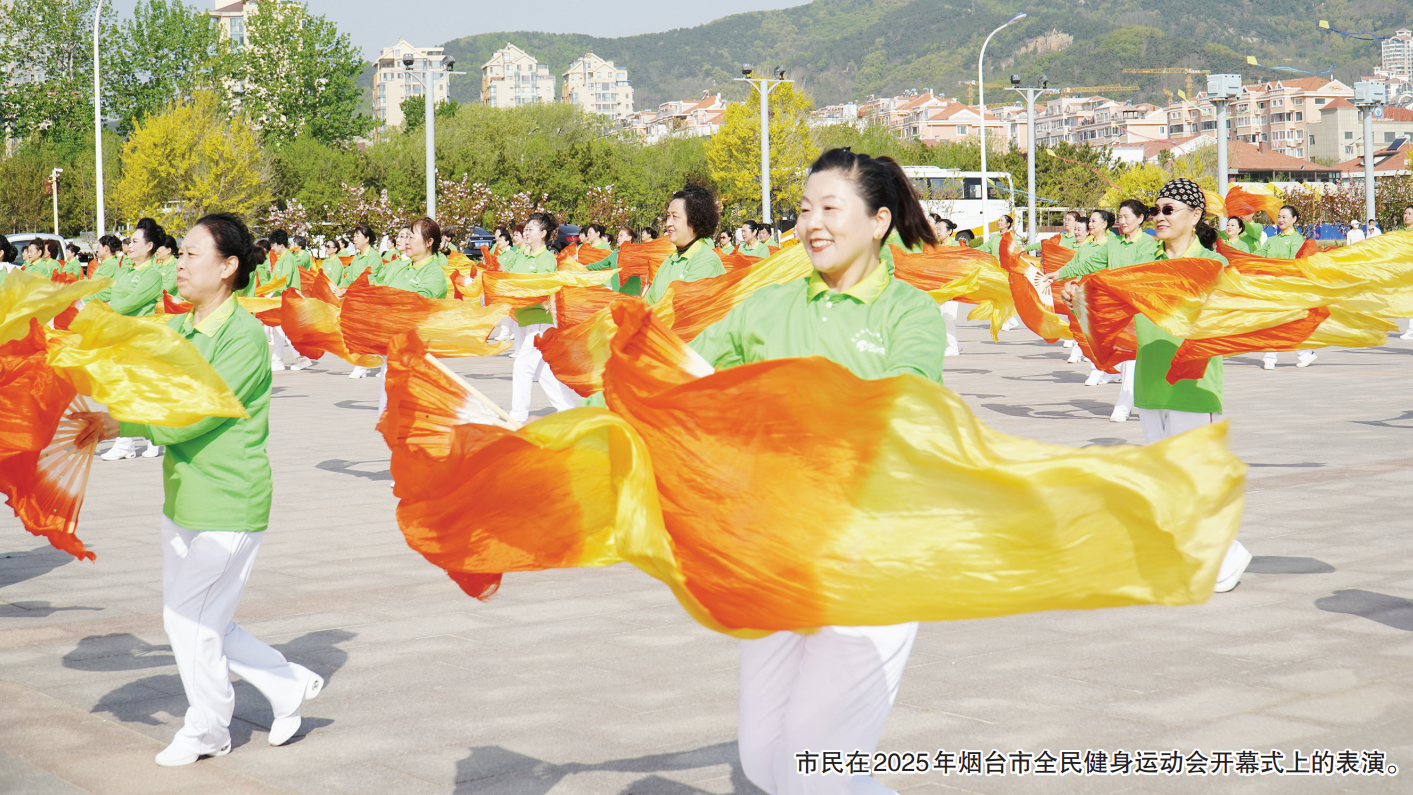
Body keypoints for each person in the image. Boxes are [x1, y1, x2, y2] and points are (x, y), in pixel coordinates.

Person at [691, 148, 944, 795]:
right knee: (764, 759)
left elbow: (905, 400)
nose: (812, 223)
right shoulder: (765, 308)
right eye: (804, 209)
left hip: (871, 563)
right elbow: (674, 373)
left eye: (830, 208)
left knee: (815, 765)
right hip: (776, 556)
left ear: (878, 220)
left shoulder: (905, 312)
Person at [75, 213, 325, 765]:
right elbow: (142, 378)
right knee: (208, 621)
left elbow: (196, 413)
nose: (179, 263)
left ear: (228, 266)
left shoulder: (243, 336)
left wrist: (126, 426)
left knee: (186, 619)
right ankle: (286, 685)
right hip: (183, 498)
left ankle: (209, 730)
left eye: (191, 254)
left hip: (230, 501)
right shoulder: (184, 328)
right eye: (179, 253)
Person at [1061, 178, 1250, 593]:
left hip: (1192, 384)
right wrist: (1081, 305)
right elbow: (1111, 322)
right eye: (1158, 209)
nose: (1160, 216)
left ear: (1195, 216)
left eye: (1170, 210)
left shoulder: (1213, 266)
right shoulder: (1145, 262)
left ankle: (1228, 553)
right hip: (1149, 382)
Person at [1054, 202, 1159, 421]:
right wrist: (1058, 274)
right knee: (1128, 356)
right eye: (1120, 217)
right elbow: (1088, 264)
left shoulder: (1150, 244)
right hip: (1120, 309)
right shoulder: (1113, 244)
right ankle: (1125, 400)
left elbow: (1138, 272)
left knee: (1145, 359)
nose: (1122, 221)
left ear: (1140, 219)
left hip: (1142, 309)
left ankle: (1140, 400)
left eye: (1127, 217)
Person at [101, 219, 169, 461]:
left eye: (135, 242)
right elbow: (105, 291)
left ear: (149, 246)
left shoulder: (152, 275)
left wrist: (108, 307)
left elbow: (128, 303)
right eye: (129, 242)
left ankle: (126, 443)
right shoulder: (123, 270)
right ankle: (151, 435)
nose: (130, 246)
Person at [505, 211, 580, 424]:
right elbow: (504, 273)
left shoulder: (547, 259)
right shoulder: (521, 254)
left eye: (530, 229)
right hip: (523, 317)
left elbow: (542, 287)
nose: (526, 232)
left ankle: (517, 418)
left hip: (539, 321)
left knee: (522, 366)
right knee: (544, 373)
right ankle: (570, 412)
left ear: (543, 233)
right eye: (525, 228)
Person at [643, 186, 726, 306]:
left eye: (675, 217)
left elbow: (686, 310)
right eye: (668, 216)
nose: (668, 223)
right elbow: (648, 302)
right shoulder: (670, 261)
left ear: (695, 221)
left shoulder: (705, 261)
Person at [1257, 206, 1316, 370]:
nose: (1281, 220)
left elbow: (1293, 263)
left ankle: (1272, 356)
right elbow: (1256, 257)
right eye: (1279, 217)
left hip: (1289, 287)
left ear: (1294, 219)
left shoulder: (1297, 240)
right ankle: (1304, 354)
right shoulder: (1271, 240)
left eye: (1285, 217)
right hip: (1274, 287)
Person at [265, 230, 312, 372]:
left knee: (284, 329)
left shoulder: (288, 259)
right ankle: (280, 359)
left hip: (288, 298)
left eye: (273, 245)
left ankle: (300, 358)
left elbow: (284, 281)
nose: (272, 248)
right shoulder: (281, 259)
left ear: (280, 245)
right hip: (281, 298)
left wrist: (271, 293)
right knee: (280, 329)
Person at [90, 235, 125, 301]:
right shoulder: (106, 263)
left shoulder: (111, 264)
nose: (97, 250)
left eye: (98, 247)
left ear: (106, 248)